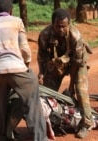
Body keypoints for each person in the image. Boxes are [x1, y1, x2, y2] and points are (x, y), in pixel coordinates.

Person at [0, 0, 47, 140]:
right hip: (16, 67)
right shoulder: (17, 22)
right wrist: (26, 65)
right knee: (32, 99)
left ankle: (1, 137)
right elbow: (24, 49)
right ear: (11, 10)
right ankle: (40, 137)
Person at [37, 8, 94, 139]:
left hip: (76, 63)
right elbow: (42, 57)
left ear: (69, 25)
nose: (61, 29)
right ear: (53, 24)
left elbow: (76, 63)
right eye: (58, 26)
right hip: (57, 64)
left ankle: (86, 123)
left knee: (80, 89)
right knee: (46, 92)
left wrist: (71, 86)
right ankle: (49, 121)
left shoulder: (76, 36)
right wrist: (41, 73)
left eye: (64, 26)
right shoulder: (45, 35)